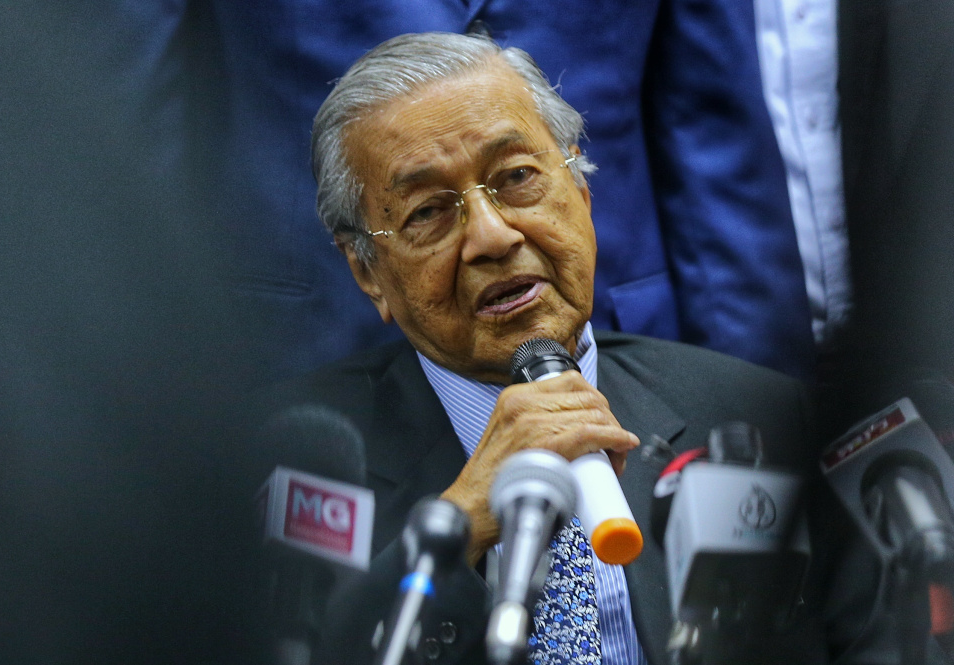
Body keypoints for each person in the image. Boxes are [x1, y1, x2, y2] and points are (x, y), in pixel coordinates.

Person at [248, 32, 828, 665]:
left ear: (581, 191)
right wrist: (462, 520)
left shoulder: (762, 415)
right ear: (367, 272)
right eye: (428, 212)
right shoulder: (278, 466)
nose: (492, 236)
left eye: (518, 177)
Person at [212, 1, 816, 385]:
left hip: (622, 324)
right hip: (312, 341)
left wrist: (759, 403)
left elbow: (714, 130)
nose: (491, 237)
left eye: (517, 174)